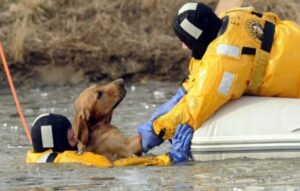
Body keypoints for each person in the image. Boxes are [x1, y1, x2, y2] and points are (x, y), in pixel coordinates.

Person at [138, 2, 300, 163]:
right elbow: (196, 79)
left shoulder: (224, 61)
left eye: (185, 42)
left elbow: (195, 107)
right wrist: (170, 105)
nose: (183, 47)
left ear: (197, 39)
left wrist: (154, 132)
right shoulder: (231, 17)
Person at [27, 113, 192, 166]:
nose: (77, 138)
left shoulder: (32, 157)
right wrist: (170, 157)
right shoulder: (72, 159)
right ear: (58, 142)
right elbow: (115, 166)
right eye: (71, 138)